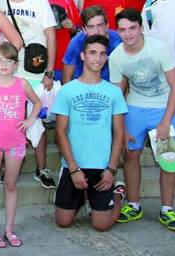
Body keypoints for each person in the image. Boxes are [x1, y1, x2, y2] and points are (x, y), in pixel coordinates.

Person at [110, 9, 175, 231]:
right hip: (135, 106)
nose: (128, 34)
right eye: (122, 30)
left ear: (141, 28)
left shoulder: (159, 48)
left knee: (169, 157)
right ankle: (133, 205)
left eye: (132, 28)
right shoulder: (116, 56)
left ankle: (167, 209)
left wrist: (166, 120)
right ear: (118, 31)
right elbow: (118, 94)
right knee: (131, 154)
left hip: (163, 106)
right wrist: (121, 126)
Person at [53, 35, 127, 231]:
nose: (98, 58)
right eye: (93, 53)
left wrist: (111, 169)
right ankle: (83, 199)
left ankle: (118, 193)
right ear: (83, 56)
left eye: (103, 54)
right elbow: (60, 132)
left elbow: (119, 133)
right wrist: (73, 168)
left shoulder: (114, 92)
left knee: (101, 226)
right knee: (63, 222)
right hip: (74, 166)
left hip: (102, 167)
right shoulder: (67, 90)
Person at [0, 0, 57, 189]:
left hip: (35, 69)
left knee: (37, 122)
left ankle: (41, 169)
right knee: (10, 122)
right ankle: (8, 167)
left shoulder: (39, 1)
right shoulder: (0, 2)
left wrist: (49, 71)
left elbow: (51, 36)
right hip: (9, 71)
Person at [0, 42, 42, 248]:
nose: (4, 65)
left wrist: (30, 119)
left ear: (15, 65)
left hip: (15, 142)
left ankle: (9, 229)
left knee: (11, 186)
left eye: (8, 61)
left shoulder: (22, 84)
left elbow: (38, 102)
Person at [61, 5, 123, 84]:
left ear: (107, 25)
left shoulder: (118, 42)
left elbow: (125, 74)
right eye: (91, 27)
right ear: (84, 29)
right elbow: (67, 78)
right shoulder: (76, 43)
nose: (96, 31)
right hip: (81, 89)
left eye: (100, 25)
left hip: (110, 89)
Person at [42, 0, 81, 82]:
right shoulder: (36, 0)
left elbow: (77, 29)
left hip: (63, 54)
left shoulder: (68, 0)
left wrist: (72, 27)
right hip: (42, 54)